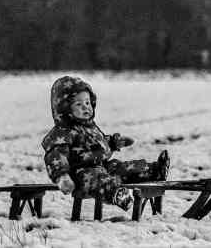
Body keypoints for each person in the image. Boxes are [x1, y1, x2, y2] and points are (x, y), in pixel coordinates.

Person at [41, 76, 170, 211]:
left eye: (87, 102)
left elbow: (98, 145)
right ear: (65, 108)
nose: (85, 107)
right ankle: (117, 194)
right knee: (97, 180)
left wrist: (114, 143)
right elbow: (55, 156)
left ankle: (154, 171)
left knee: (121, 167)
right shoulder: (62, 132)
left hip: (103, 166)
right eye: (78, 104)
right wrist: (62, 176)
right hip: (81, 174)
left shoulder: (90, 127)